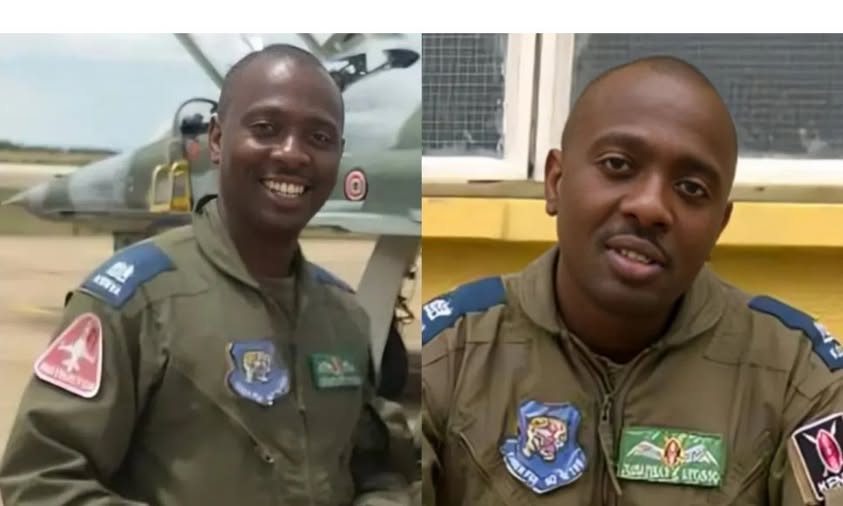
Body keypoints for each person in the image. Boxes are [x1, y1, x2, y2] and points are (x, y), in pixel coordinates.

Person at [0, 44, 416, 506]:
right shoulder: (136, 303)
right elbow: (38, 482)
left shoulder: (344, 315)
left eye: (319, 137)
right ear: (217, 139)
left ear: (338, 155)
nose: (292, 153)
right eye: (266, 129)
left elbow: (380, 470)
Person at [420, 55, 843, 506]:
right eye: (618, 165)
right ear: (556, 181)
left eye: (691, 188)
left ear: (719, 227)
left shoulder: (796, 374)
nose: (650, 206)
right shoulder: (450, 353)